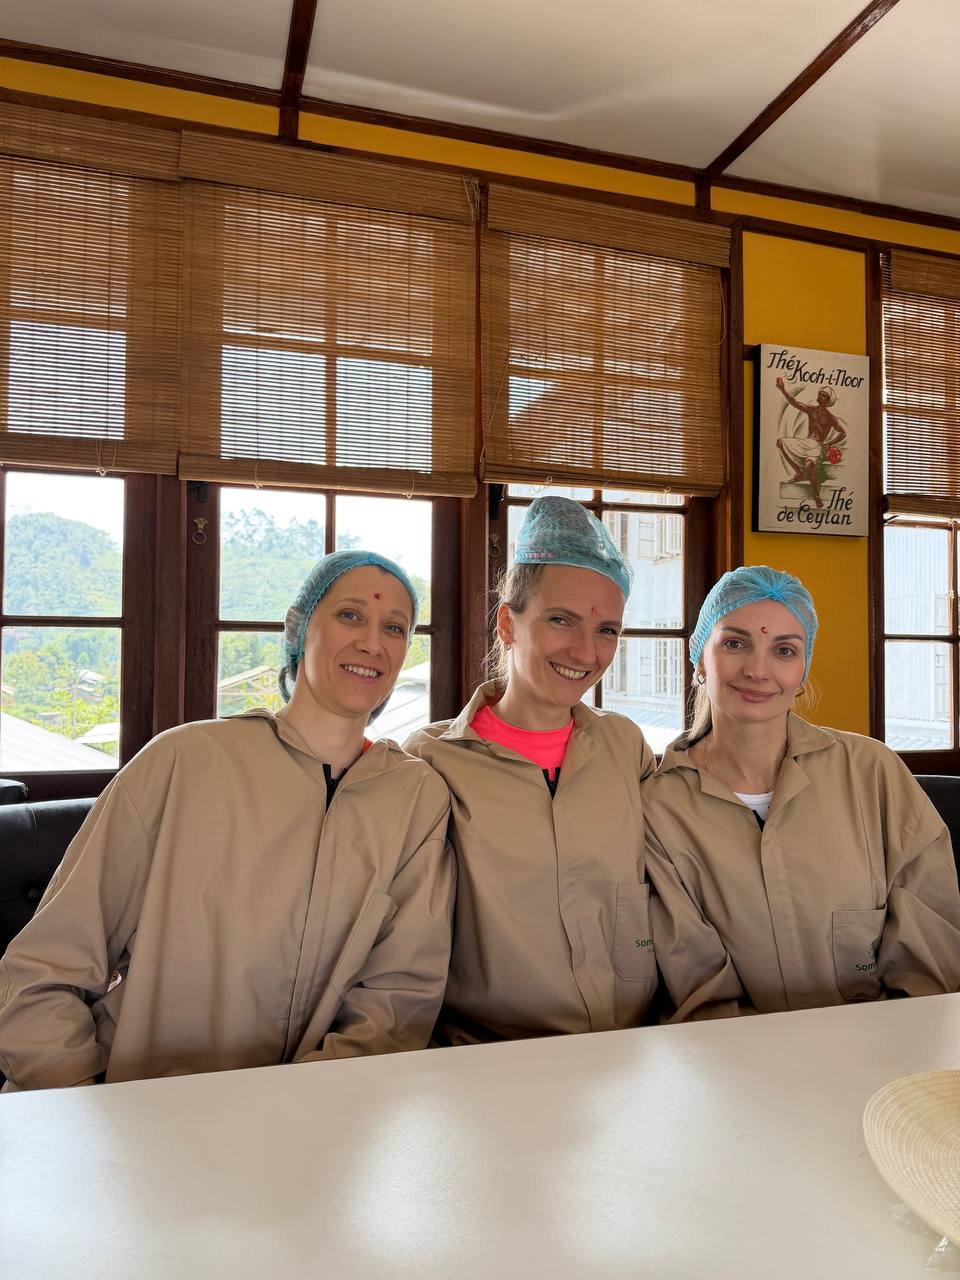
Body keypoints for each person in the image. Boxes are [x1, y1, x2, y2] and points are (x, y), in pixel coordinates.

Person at [0, 550, 454, 1089]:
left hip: (316, 1118)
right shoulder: (182, 761)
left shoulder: (416, 797)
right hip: (141, 1113)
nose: (372, 643)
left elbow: (399, 997)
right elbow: (43, 973)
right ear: (297, 627)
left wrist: (309, 1108)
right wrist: (83, 1105)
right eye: (350, 615)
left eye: (394, 627)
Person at [404, 496, 740, 1044]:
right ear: (508, 624)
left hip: (631, 1049)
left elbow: (673, 894)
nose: (586, 652)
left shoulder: (624, 746)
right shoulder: (433, 761)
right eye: (561, 620)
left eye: (607, 630)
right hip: (487, 1058)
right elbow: (408, 941)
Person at [642, 565, 960, 1015]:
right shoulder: (657, 806)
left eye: (784, 650)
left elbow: (930, 955)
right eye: (734, 644)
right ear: (699, 660)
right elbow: (696, 981)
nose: (757, 670)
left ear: (803, 670)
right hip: (734, 1052)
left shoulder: (874, 772)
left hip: (889, 1045)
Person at [774, 379, 847, 510]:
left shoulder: (830, 417)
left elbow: (843, 433)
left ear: (828, 400)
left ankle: (816, 496)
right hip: (806, 442)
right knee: (780, 442)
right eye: (820, 393)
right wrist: (782, 390)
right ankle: (798, 472)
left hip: (817, 446)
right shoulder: (811, 410)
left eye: (823, 395)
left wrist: (829, 443)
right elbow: (795, 403)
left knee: (808, 466)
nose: (820, 395)